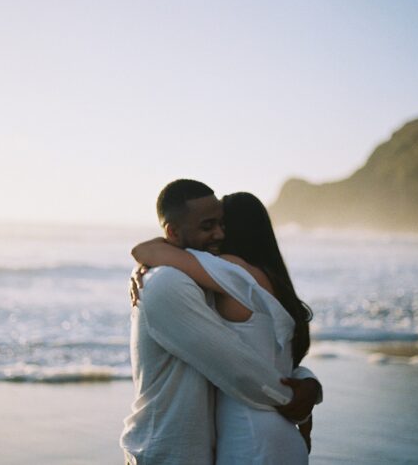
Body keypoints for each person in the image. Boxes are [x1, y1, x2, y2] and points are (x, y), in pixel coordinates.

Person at [120, 179, 321, 464]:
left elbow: (239, 368)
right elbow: (249, 361)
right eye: (208, 226)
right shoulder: (173, 281)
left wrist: (301, 396)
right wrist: (301, 394)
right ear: (173, 232)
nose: (218, 234)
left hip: (249, 439)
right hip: (175, 452)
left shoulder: (227, 275)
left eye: (223, 225)